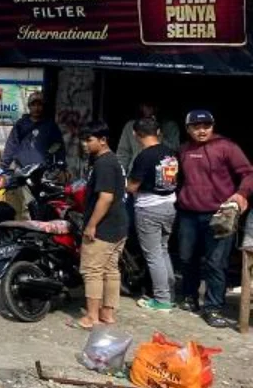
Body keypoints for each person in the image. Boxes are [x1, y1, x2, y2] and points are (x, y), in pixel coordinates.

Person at [176, 110, 253, 328]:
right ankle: (190, 298)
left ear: (213, 126)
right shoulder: (183, 150)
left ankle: (213, 308)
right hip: (188, 214)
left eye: (206, 126)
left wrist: (242, 194)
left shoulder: (227, 147)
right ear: (188, 128)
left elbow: (249, 173)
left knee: (216, 262)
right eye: (197, 126)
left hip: (219, 215)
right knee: (186, 258)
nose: (202, 130)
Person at [74, 122, 128, 329]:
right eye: (83, 140)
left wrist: (91, 225)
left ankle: (91, 317)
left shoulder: (104, 163)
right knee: (111, 270)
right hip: (119, 225)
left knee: (92, 271)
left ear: (103, 140)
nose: (84, 144)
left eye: (89, 140)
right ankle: (107, 313)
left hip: (104, 226)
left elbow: (105, 198)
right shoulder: (114, 161)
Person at [126, 118, 179, 312]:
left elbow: (133, 186)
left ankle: (162, 300)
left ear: (135, 134)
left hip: (149, 208)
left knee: (153, 255)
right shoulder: (170, 153)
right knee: (163, 250)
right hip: (169, 207)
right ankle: (169, 294)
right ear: (158, 131)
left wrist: (124, 185)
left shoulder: (144, 157)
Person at [1, 92, 64, 170]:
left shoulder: (50, 126)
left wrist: (60, 165)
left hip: (43, 170)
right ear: (29, 106)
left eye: (39, 105)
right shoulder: (21, 124)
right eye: (33, 105)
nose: (36, 108)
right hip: (22, 170)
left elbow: (58, 145)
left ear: (43, 106)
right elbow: (11, 145)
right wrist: (5, 165)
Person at [117, 102, 181, 173]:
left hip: (161, 174)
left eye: (153, 106)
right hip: (135, 173)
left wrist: (160, 139)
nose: (150, 110)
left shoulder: (170, 126)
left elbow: (175, 151)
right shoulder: (131, 126)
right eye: (147, 106)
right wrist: (120, 176)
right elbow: (123, 154)